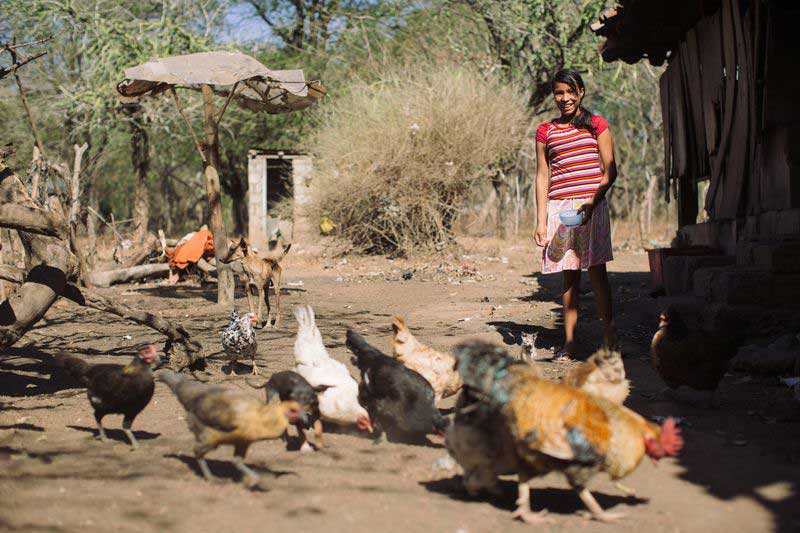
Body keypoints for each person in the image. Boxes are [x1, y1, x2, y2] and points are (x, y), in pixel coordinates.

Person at [534, 68, 617, 361]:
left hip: (591, 205)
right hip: (561, 209)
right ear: (554, 95)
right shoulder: (546, 131)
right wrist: (541, 220)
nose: (565, 98)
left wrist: (592, 204)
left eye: (571, 91)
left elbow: (610, 170)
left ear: (581, 92)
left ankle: (609, 339)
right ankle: (569, 343)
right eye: (559, 92)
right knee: (568, 278)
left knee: (597, 274)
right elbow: (543, 176)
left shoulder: (596, 123)